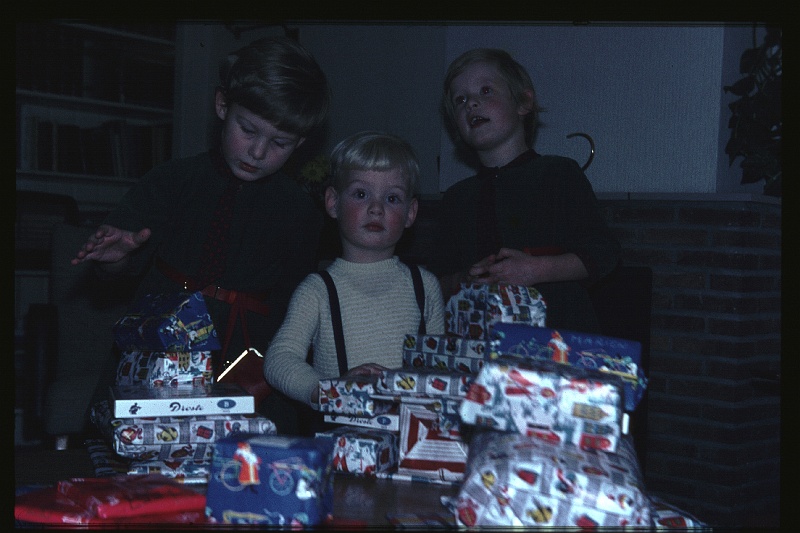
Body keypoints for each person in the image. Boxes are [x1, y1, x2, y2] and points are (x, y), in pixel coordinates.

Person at [71, 36, 331, 434]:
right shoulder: (172, 179)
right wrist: (118, 255)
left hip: (248, 361)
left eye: (279, 143)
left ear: (301, 142)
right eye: (248, 130)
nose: (258, 152)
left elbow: (295, 304)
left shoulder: (299, 209)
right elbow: (122, 262)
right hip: (157, 350)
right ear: (223, 106)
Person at [429, 48, 621, 334]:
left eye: (485, 91)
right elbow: (434, 284)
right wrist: (464, 279)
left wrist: (535, 270)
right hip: (477, 343)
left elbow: (603, 254)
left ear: (523, 102)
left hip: (555, 342)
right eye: (461, 100)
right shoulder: (457, 197)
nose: (472, 104)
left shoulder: (559, 173)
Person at [263, 131, 445, 420]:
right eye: (361, 194)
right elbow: (279, 359)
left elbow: (440, 368)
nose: (376, 208)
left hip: (411, 439)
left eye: (392, 198)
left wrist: (404, 384)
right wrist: (327, 391)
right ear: (333, 202)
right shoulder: (318, 289)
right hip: (342, 442)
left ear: (411, 213)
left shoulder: (425, 285)